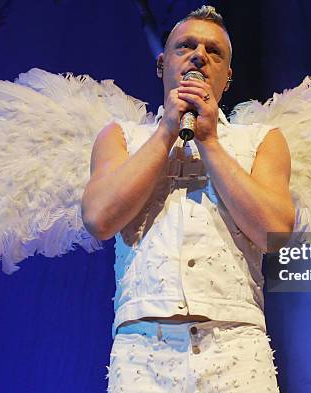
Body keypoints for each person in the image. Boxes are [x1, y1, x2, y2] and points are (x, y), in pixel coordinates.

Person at [81, 5, 294, 392]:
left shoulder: (263, 140)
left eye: (214, 52)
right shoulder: (120, 137)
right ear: (162, 63)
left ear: (227, 78)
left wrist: (209, 140)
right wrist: (166, 131)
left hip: (237, 348)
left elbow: (275, 232)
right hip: (142, 351)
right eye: (186, 46)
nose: (200, 55)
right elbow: (99, 219)